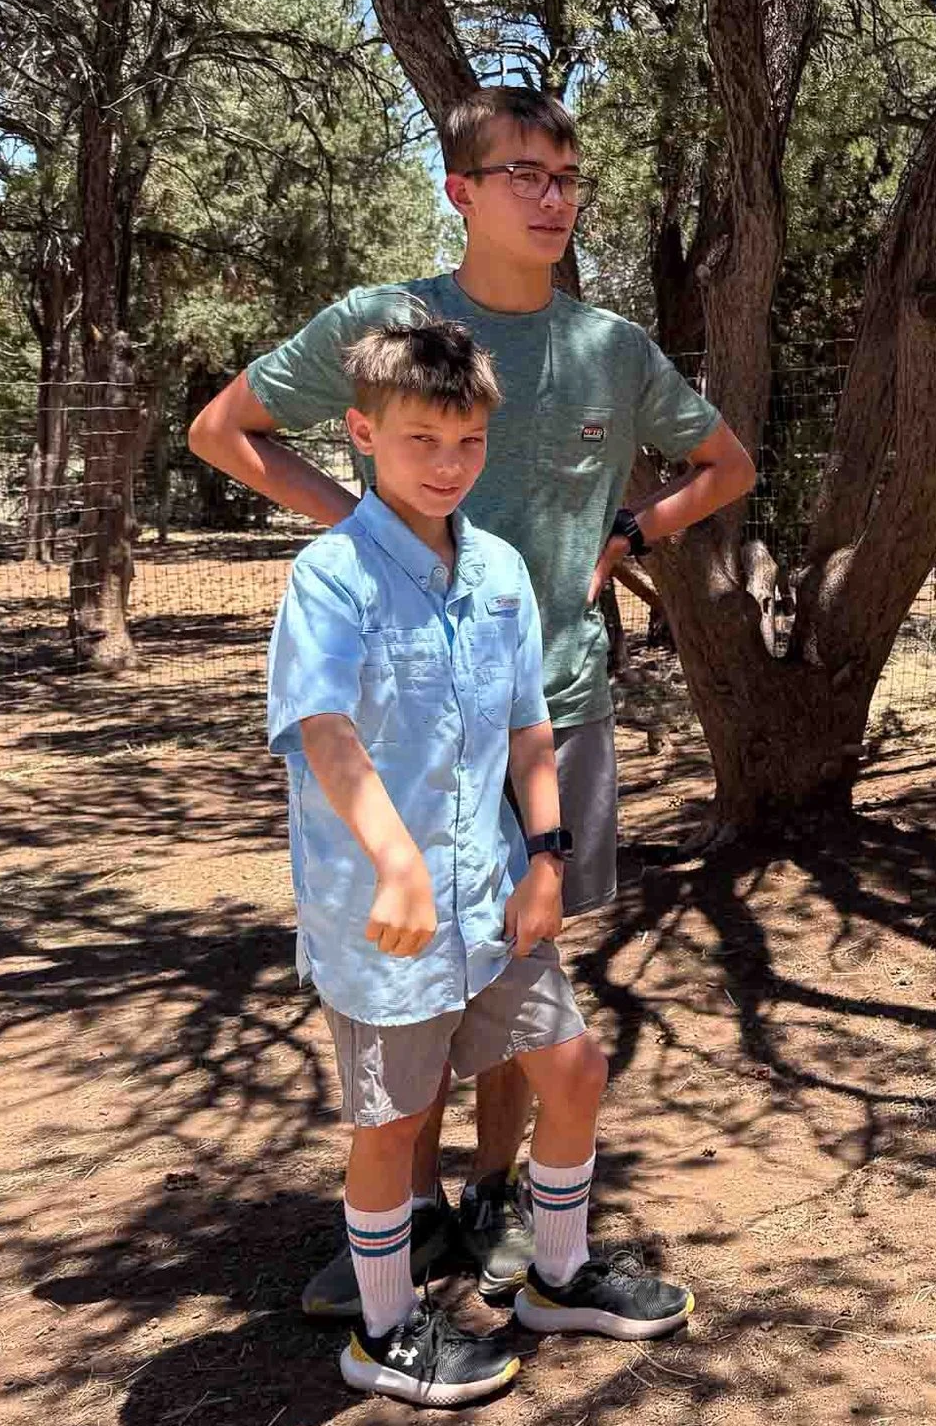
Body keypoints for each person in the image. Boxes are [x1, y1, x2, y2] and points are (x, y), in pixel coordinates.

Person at [192, 85, 755, 1315]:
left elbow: (727, 464)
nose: (553, 199)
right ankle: (410, 1222)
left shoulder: (610, 349)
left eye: (567, 179)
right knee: (414, 988)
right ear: (460, 190)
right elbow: (225, 431)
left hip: (549, 705)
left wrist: (632, 530)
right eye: (525, 176)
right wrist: (366, 527)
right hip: (402, 734)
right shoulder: (385, 326)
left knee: (523, 959)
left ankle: (500, 1200)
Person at [270, 313, 695, 1406]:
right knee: (393, 1123)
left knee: (574, 1070)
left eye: (465, 445)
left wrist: (547, 857)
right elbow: (326, 732)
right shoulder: (332, 576)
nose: (447, 467)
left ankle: (556, 1278)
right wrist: (398, 862)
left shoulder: (499, 570)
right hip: (386, 913)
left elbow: (527, 729)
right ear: (363, 433)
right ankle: (384, 1335)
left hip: (493, 892)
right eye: (420, 443)